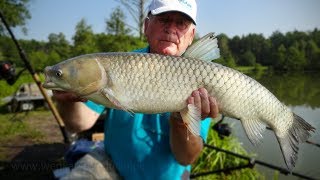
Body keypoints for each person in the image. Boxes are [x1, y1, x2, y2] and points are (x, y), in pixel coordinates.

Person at [57, 0, 219, 179]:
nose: (171, 28)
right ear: (146, 25)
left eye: (181, 23)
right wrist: (66, 100)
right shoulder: (118, 64)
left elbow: (186, 158)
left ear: (191, 36)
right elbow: (78, 123)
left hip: (166, 176)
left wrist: (181, 122)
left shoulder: (203, 78)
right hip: (111, 165)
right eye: (164, 19)